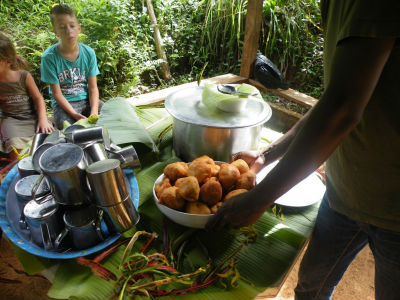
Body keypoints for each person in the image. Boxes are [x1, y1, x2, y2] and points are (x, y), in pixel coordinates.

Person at [206, 1, 400, 299]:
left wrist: (259, 198)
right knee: (311, 288)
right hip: (343, 194)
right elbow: (335, 96)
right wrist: (266, 154)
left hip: (394, 211)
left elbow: (342, 109)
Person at [41, 4, 101, 130]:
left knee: (109, 116)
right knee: (70, 130)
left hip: (86, 100)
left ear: (79, 28)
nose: (69, 31)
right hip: (64, 105)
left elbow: (93, 88)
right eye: (62, 28)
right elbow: (57, 94)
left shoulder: (89, 53)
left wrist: (94, 111)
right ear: (55, 31)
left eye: (72, 26)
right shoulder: (49, 57)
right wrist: (74, 114)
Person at [0, 32, 54, 160]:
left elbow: (38, 98)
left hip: (32, 117)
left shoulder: (23, 76)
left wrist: (43, 119)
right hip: (12, 120)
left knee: (50, 134)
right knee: (15, 145)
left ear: (8, 61)